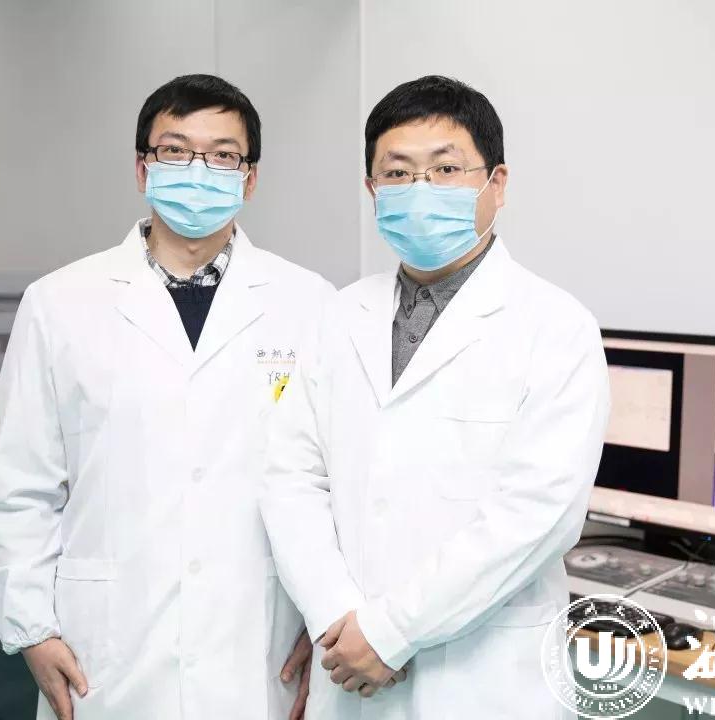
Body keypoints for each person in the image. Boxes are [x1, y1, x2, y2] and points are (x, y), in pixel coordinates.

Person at [0, 74, 329, 720]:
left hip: (257, 646)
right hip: (105, 656)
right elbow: (21, 488)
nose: (199, 170)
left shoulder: (310, 305)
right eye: (175, 150)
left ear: (250, 179)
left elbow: (333, 483)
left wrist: (327, 614)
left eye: (223, 155)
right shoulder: (59, 303)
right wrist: (31, 631)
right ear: (143, 168)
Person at [261, 75, 611, 718]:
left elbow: (536, 516)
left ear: (496, 183)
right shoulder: (338, 317)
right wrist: (337, 617)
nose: (419, 190)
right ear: (372, 190)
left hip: (486, 680)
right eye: (397, 173)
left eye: (446, 169)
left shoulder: (556, 327)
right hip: (347, 663)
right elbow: (291, 479)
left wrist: (391, 632)